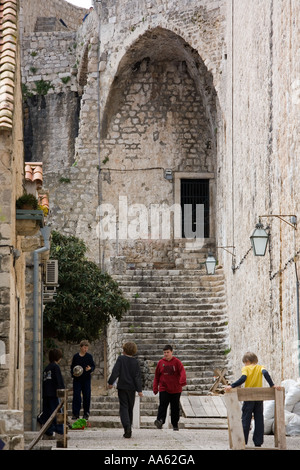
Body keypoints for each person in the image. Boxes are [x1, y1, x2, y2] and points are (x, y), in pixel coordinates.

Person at [225, 351, 280, 447]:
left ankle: (243, 441)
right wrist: (272, 385)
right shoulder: (260, 367)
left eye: (244, 362)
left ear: (247, 361)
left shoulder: (246, 368)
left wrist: (232, 386)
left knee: (246, 419)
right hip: (259, 397)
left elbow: (243, 378)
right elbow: (265, 373)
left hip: (248, 396)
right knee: (259, 419)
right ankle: (258, 442)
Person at [108, 342, 143, 438]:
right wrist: (139, 390)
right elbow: (137, 377)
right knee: (130, 408)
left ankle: (127, 427)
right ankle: (129, 427)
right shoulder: (135, 362)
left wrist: (111, 382)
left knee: (124, 407)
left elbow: (116, 371)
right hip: (132, 388)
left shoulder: (121, 359)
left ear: (124, 350)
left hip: (122, 387)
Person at [153, 344, 186, 431]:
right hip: (164, 388)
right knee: (162, 405)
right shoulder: (160, 363)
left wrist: (182, 381)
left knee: (175, 407)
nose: (166, 354)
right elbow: (156, 376)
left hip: (176, 389)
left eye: (168, 352)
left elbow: (182, 371)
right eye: (164, 352)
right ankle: (160, 420)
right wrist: (155, 387)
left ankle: (175, 424)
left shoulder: (177, 362)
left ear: (172, 352)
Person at [40, 348, 65, 438]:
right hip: (54, 394)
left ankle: (48, 432)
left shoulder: (47, 368)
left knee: (47, 414)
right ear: (58, 357)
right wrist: (62, 391)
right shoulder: (55, 367)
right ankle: (60, 432)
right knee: (58, 413)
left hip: (46, 394)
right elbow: (58, 381)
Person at [71, 340, 95, 420]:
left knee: (87, 396)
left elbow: (93, 366)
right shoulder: (76, 357)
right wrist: (73, 373)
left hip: (86, 379)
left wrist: (90, 369)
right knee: (76, 396)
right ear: (81, 347)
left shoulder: (89, 356)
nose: (86, 349)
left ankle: (86, 413)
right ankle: (75, 414)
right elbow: (72, 367)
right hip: (77, 379)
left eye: (87, 348)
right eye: (84, 347)